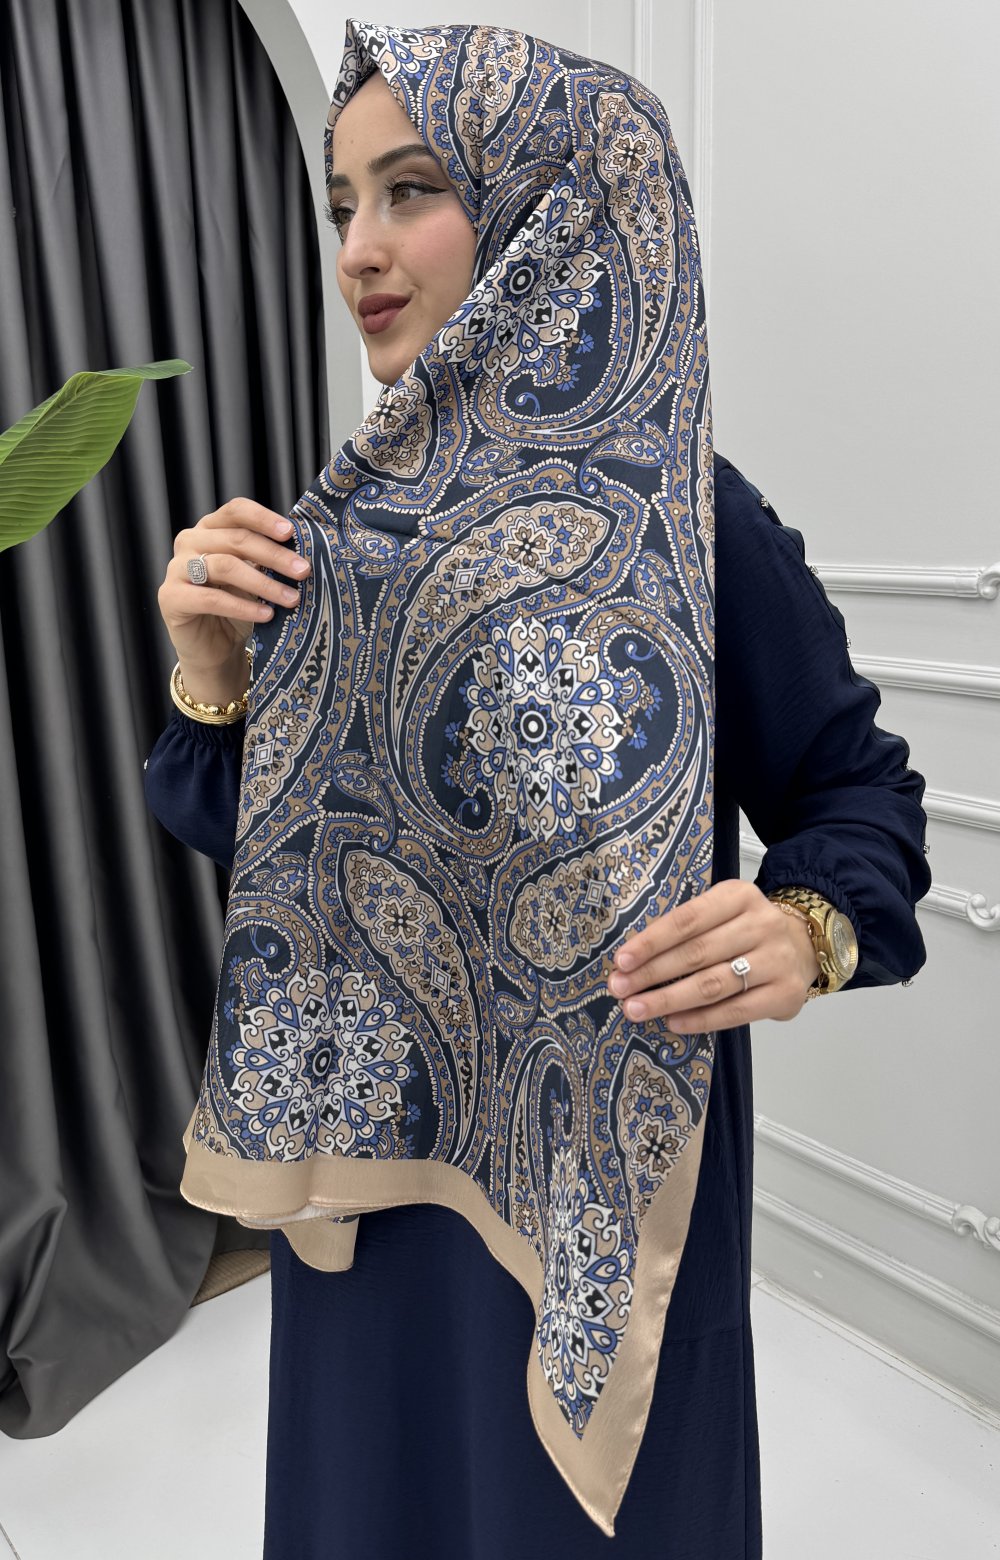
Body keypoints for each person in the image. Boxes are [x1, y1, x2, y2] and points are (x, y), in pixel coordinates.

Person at [145, 21, 929, 1559]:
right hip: (372, 1169)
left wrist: (805, 928)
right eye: (341, 205)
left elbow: (859, 795)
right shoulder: (338, 529)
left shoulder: (687, 522)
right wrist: (209, 671)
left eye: (410, 190)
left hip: (604, 1184)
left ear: (547, 205)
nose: (359, 250)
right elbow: (245, 837)